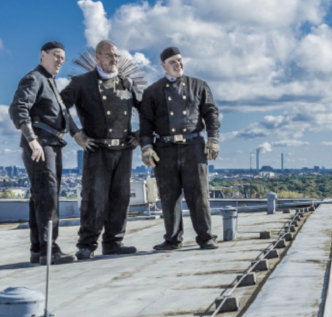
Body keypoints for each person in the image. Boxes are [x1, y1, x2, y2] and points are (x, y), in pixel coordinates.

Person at [61, 40, 142, 260]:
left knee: (120, 197)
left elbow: (149, 110)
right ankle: (87, 244)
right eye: (109, 56)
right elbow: (59, 106)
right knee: (94, 198)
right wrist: (76, 133)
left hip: (124, 151)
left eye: (116, 56)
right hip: (97, 150)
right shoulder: (81, 83)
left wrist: (139, 134)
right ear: (97, 57)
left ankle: (114, 242)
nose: (114, 60)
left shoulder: (126, 83)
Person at [9, 41, 84, 265]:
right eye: (56, 55)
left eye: (63, 57)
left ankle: (37, 249)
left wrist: (77, 135)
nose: (61, 60)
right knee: (48, 197)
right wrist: (32, 139)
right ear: (43, 55)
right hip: (41, 144)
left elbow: (63, 115)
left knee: (39, 198)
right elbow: (18, 107)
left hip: (51, 143)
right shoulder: (34, 78)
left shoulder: (50, 82)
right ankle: (50, 250)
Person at [138, 46, 219, 250]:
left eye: (180, 60)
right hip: (164, 149)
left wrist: (213, 138)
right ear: (163, 66)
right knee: (168, 196)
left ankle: (206, 237)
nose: (178, 64)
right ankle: (172, 239)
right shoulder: (152, 92)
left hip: (193, 146)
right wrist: (146, 147)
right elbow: (146, 123)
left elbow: (210, 113)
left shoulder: (199, 85)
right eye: (172, 62)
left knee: (198, 194)